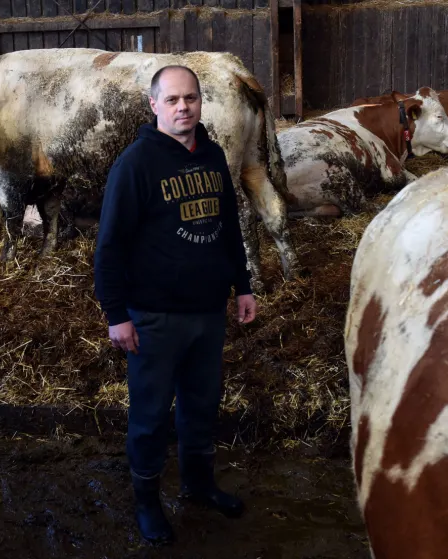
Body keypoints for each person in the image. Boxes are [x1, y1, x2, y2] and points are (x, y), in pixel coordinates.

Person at [93, 64, 257, 545]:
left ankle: (199, 485)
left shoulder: (211, 155)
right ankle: (147, 502)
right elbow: (110, 246)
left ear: (200, 102)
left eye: (191, 98)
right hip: (154, 317)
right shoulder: (136, 164)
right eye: (172, 100)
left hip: (209, 312)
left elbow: (229, 227)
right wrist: (116, 314)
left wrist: (242, 285)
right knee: (149, 416)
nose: (183, 107)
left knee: (201, 406)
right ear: (154, 105)